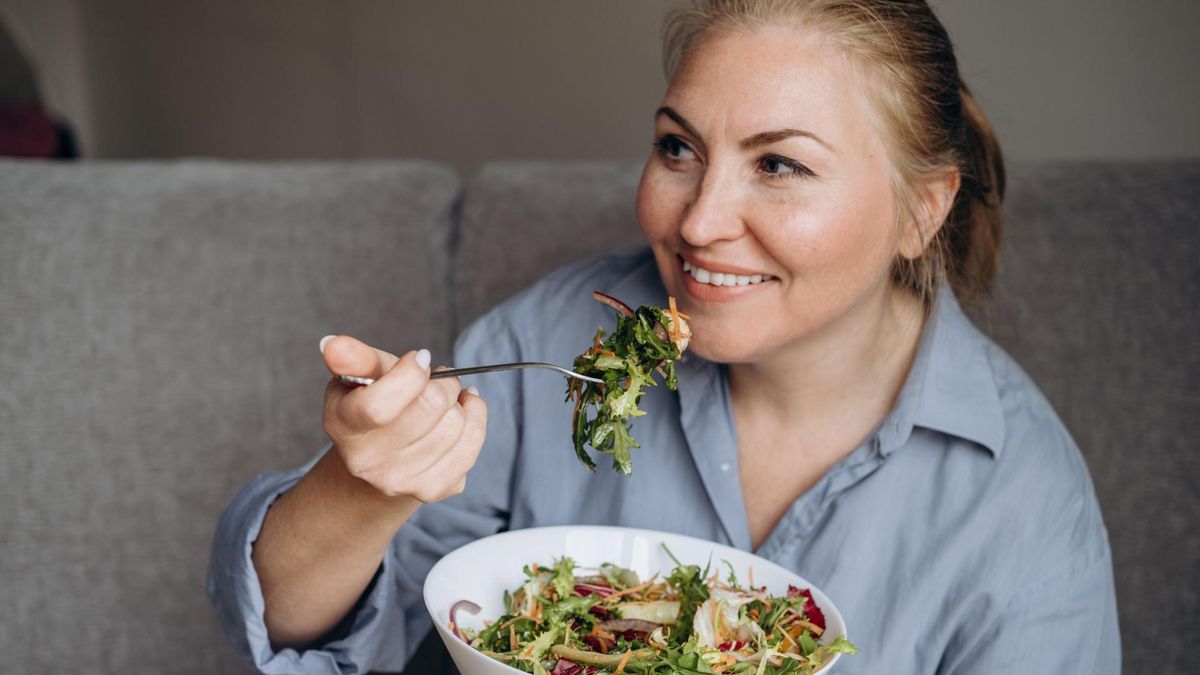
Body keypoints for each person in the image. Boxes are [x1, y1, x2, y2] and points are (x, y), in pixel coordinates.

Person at [208, 1, 1120, 673]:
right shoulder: (551, 342)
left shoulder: (1020, 499)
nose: (699, 221)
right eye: (679, 148)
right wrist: (362, 484)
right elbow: (297, 632)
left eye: (779, 164)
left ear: (923, 210)